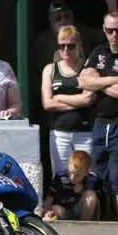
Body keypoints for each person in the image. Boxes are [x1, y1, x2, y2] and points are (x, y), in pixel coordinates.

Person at [77, 9, 118, 223]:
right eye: (110, 30)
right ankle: (104, 219)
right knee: (100, 172)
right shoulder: (98, 51)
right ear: (103, 30)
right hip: (99, 123)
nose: (114, 34)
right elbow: (82, 82)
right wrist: (112, 80)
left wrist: (99, 81)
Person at [41, 25, 95, 174]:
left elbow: (88, 99)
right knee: (61, 177)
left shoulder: (88, 68)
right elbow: (47, 103)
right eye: (61, 46)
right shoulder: (50, 69)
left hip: (85, 132)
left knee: (88, 176)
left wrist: (60, 97)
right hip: (59, 132)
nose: (65, 50)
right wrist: (77, 102)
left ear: (79, 44)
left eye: (70, 46)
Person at [41, 150, 102, 222]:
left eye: (77, 175)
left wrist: (82, 191)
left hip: (81, 210)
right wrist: (45, 213)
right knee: (54, 208)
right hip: (64, 209)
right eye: (70, 173)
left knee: (90, 195)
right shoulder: (61, 177)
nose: (72, 177)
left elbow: (97, 203)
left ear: (86, 172)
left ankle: (84, 223)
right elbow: (51, 196)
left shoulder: (92, 180)